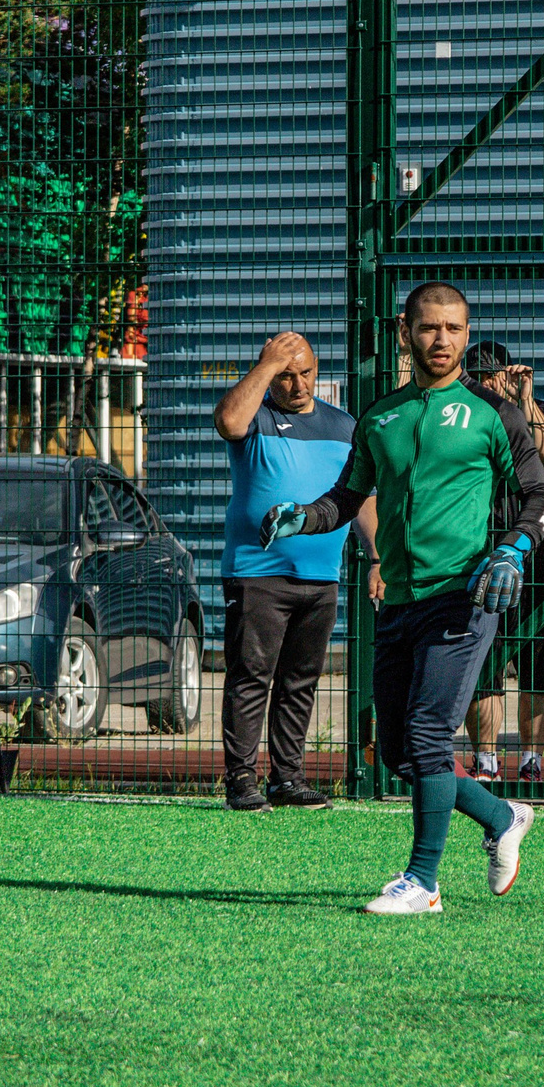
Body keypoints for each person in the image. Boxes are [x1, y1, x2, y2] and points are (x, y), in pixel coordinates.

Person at [261, 282, 544, 915]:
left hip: (464, 596)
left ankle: (422, 881)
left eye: (453, 328)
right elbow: (346, 498)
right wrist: (302, 517)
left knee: (428, 733)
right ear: (406, 333)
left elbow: (541, 494)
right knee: (396, 751)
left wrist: (513, 550)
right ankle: (501, 816)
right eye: (429, 327)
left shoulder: (493, 413)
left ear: (467, 334)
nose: (442, 339)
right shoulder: (380, 416)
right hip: (397, 602)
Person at [214, 330, 368, 813]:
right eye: (285, 376)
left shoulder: (343, 425)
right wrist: (265, 367)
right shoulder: (254, 415)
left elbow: (361, 499)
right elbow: (227, 422)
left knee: (301, 680)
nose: (298, 385)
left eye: (306, 373)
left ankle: (288, 779)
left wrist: (378, 558)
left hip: (321, 578)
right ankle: (242, 782)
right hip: (257, 573)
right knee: (251, 677)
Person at [460, 340, 544, 782]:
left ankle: (532, 759)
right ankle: (486, 759)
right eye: (479, 376)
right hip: (482, 554)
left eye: (495, 375)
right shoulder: (464, 418)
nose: (488, 384)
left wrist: (525, 401)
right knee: (483, 662)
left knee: (543, 664)